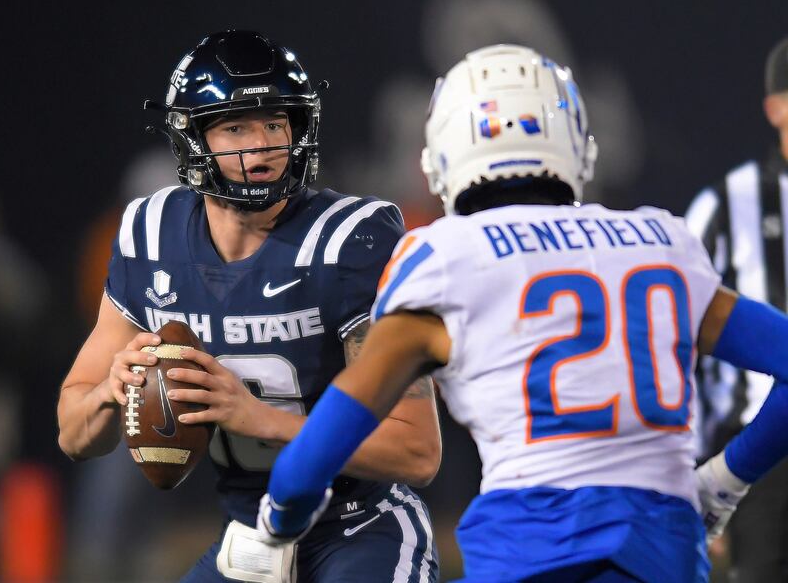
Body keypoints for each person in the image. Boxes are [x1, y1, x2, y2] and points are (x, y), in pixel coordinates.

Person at [255, 44, 788, 583]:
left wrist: (279, 520)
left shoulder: (446, 258)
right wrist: (725, 479)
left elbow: (312, 458)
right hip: (664, 558)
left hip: (529, 557)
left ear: (442, 152)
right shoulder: (660, 240)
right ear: (578, 143)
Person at [56, 30, 441, 583]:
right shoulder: (152, 233)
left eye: (275, 123)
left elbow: (416, 450)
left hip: (359, 526)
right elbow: (72, 435)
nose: (261, 145)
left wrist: (256, 417)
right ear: (192, 139)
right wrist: (111, 392)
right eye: (236, 126)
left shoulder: (345, 242)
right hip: (249, 534)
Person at [685, 36, 788, 581]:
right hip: (760, 451)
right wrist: (698, 472)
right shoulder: (725, 204)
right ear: (776, 107)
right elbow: (673, 341)